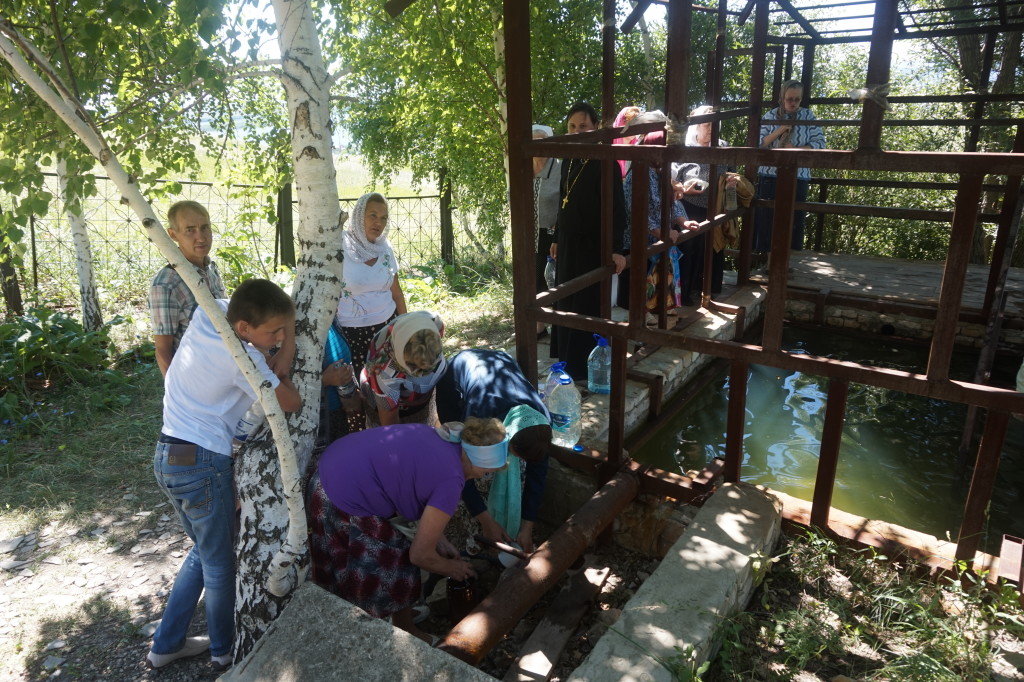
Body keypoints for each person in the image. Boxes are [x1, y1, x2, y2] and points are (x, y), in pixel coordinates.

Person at [147, 279, 301, 671]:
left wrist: (279, 341)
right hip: (201, 462)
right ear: (244, 329)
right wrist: (283, 362)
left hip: (169, 454)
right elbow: (291, 402)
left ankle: (166, 644)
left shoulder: (208, 312)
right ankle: (224, 652)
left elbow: (269, 310)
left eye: (283, 331)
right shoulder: (244, 360)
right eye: (273, 333)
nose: (280, 338)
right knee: (218, 563)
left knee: (203, 552)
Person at [305, 417, 508, 643]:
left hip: (328, 471)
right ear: (478, 461)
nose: (482, 476)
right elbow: (419, 555)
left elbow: (414, 485)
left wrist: (438, 540)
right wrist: (452, 568)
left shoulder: (447, 441)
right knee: (394, 560)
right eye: (486, 471)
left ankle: (399, 615)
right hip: (341, 497)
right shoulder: (452, 480)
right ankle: (383, 630)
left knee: (366, 557)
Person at [435, 349, 552, 553]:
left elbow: (538, 475)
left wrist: (527, 527)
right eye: (514, 453)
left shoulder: (541, 424)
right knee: (462, 460)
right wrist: (486, 521)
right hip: (458, 373)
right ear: (506, 438)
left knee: (514, 470)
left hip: (501, 362)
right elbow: (461, 464)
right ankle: (473, 530)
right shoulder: (480, 416)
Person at [552, 101, 627, 379]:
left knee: (585, 303)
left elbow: (617, 209)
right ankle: (565, 360)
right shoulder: (568, 160)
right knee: (565, 299)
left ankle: (584, 366)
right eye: (572, 126)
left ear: (595, 127)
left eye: (583, 126)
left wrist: (616, 249)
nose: (576, 132)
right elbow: (563, 200)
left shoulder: (606, 162)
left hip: (593, 246)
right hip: (568, 243)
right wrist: (557, 236)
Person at [336, 192, 407, 429]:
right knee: (359, 394)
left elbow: (397, 293)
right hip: (353, 334)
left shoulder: (384, 248)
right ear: (359, 216)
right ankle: (364, 437)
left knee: (388, 389)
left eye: (384, 218)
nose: (379, 222)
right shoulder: (340, 248)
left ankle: (389, 435)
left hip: (387, 329)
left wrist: (405, 327)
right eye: (373, 215)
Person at [622, 126, 699, 311]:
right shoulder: (639, 172)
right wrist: (662, 232)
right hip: (638, 242)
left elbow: (671, 202)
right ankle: (637, 320)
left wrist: (683, 222)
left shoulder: (660, 171)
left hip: (656, 242)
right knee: (635, 293)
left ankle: (651, 316)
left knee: (653, 291)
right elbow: (636, 211)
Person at [148, 200, 227, 377]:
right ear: (173, 234)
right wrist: (175, 390)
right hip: (195, 376)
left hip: (223, 369)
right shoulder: (166, 284)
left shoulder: (210, 268)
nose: (201, 237)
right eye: (190, 230)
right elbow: (163, 350)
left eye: (205, 228)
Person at [673, 105, 740, 300]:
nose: (711, 129)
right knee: (690, 248)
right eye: (706, 125)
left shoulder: (723, 146)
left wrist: (731, 181)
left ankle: (709, 290)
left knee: (712, 247)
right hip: (688, 207)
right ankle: (686, 293)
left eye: (713, 125)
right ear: (697, 126)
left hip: (715, 206)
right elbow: (672, 179)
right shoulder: (684, 147)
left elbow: (732, 171)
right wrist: (684, 188)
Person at [754, 80, 826, 253]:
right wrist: (780, 130)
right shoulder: (770, 116)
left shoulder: (808, 116)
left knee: (795, 219)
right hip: (770, 176)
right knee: (766, 220)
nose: (793, 103)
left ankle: (792, 259)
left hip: (798, 176)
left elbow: (820, 143)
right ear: (782, 97)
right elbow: (758, 143)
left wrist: (796, 150)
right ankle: (763, 259)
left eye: (797, 99)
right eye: (789, 99)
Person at [361, 310, 446, 427]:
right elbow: (390, 424)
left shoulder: (433, 322)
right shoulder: (385, 373)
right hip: (394, 404)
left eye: (432, 362)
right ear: (400, 357)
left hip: (417, 398)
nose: (423, 373)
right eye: (415, 368)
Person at [532, 125, 561, 338]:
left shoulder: (559, 167)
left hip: (552, 234)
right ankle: (539, 326)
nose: (537, 146)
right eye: (533, 142)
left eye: (541, 141)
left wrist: (559, 231)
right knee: (532, 279)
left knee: (551, 280)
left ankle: (558, 324)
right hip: (528, 233)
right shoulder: (522, 166)